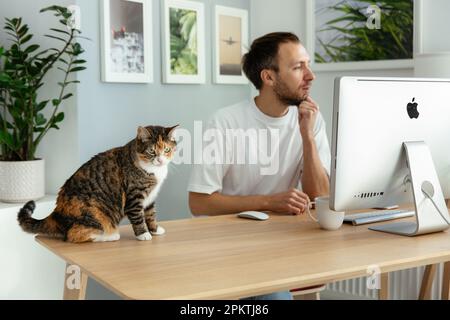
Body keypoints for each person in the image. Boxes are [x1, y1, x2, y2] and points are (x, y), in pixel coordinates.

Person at [187, 32, 331, 300]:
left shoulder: (310, 119)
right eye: (298, 67)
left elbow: (320, 196)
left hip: (285, 243)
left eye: (308, 65)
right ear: (268, 77)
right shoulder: (225, 122)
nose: (310, 75)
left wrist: (307, 137)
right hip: (230, 248)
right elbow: (199, 202)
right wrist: (268, 202)